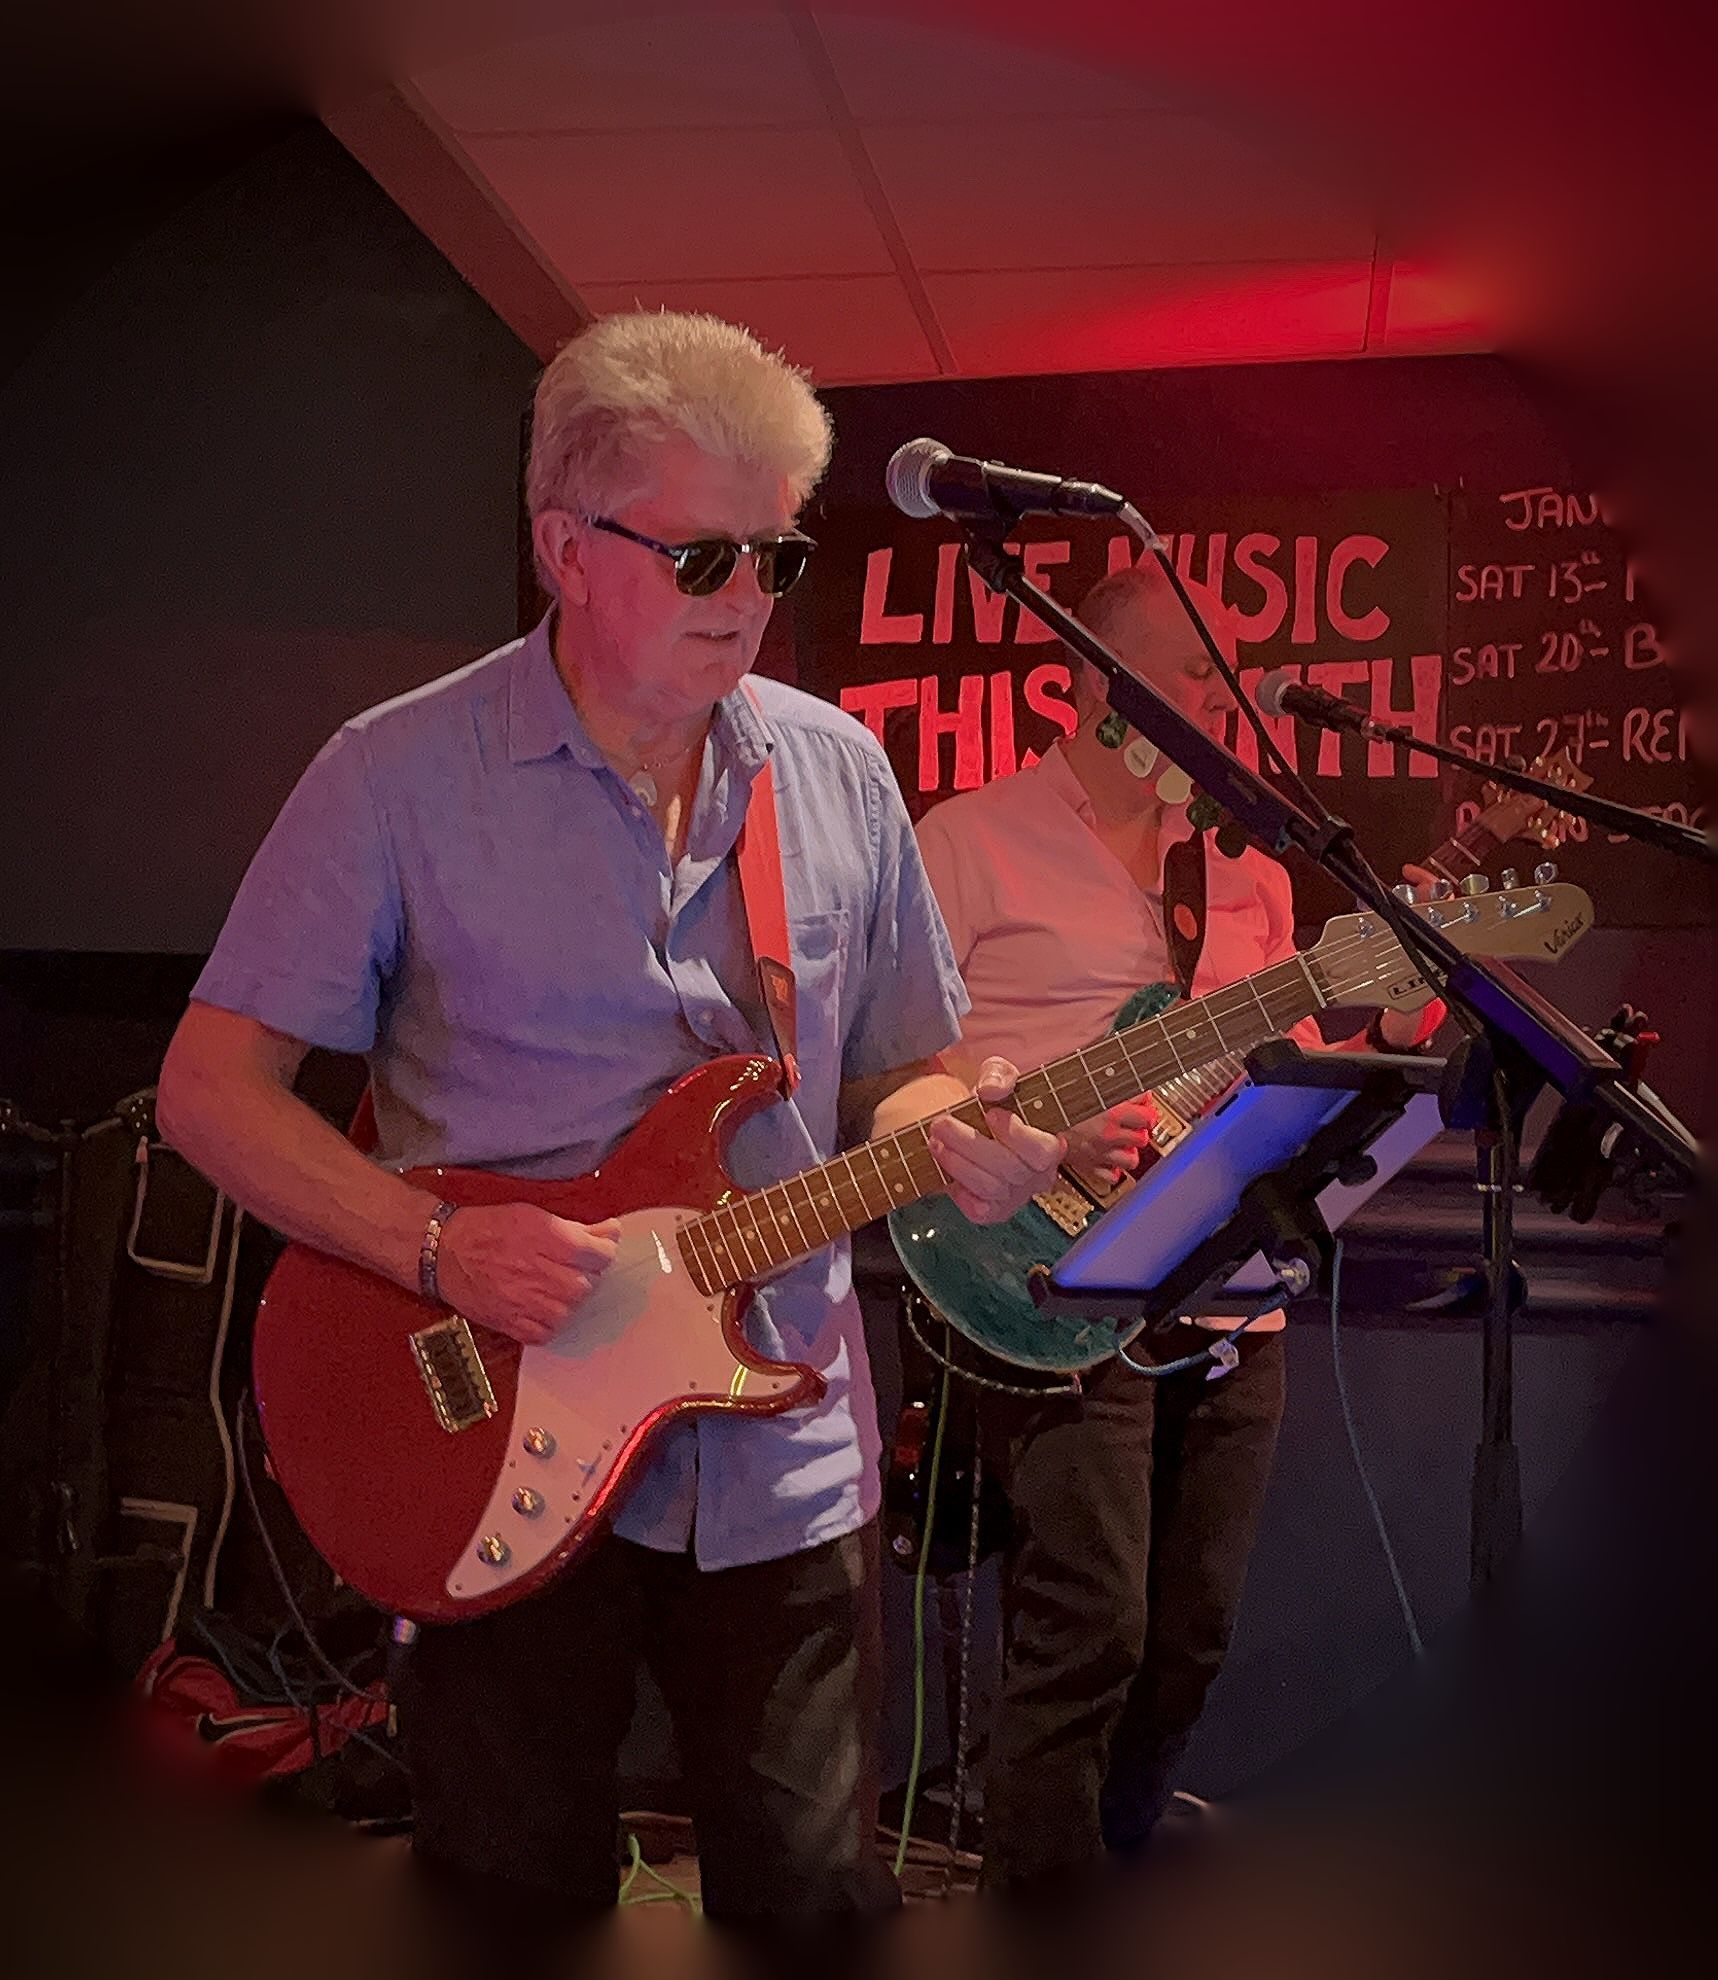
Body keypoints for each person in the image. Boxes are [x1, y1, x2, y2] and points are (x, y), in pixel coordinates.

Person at [155, 310, 1065, 1930]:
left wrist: (962, 1125)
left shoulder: (838, 772)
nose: (748, 597)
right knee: (511, 1902)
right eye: (702, 555)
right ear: (565, 550)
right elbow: (207, 1091)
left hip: (779, 1452)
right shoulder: (392, 777)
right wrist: (434, 1246)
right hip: (487, 1439)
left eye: (776, 556)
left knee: (811, 1904)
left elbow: (898, 1071)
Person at [913, 561, 1441, 1893]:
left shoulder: (1243, 864)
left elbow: (1277, 1058)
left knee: (1189, 1633)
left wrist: (1388, 1016)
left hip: (1220, 1276)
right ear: (1093, 676)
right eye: (1192, 671)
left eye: (1222, 674)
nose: (1220, 699)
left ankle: (1114, 1862)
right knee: (1089, 1623)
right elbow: (896, 1067)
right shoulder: (968, 840)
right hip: (1048, 1267)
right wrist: (1038, 1124)